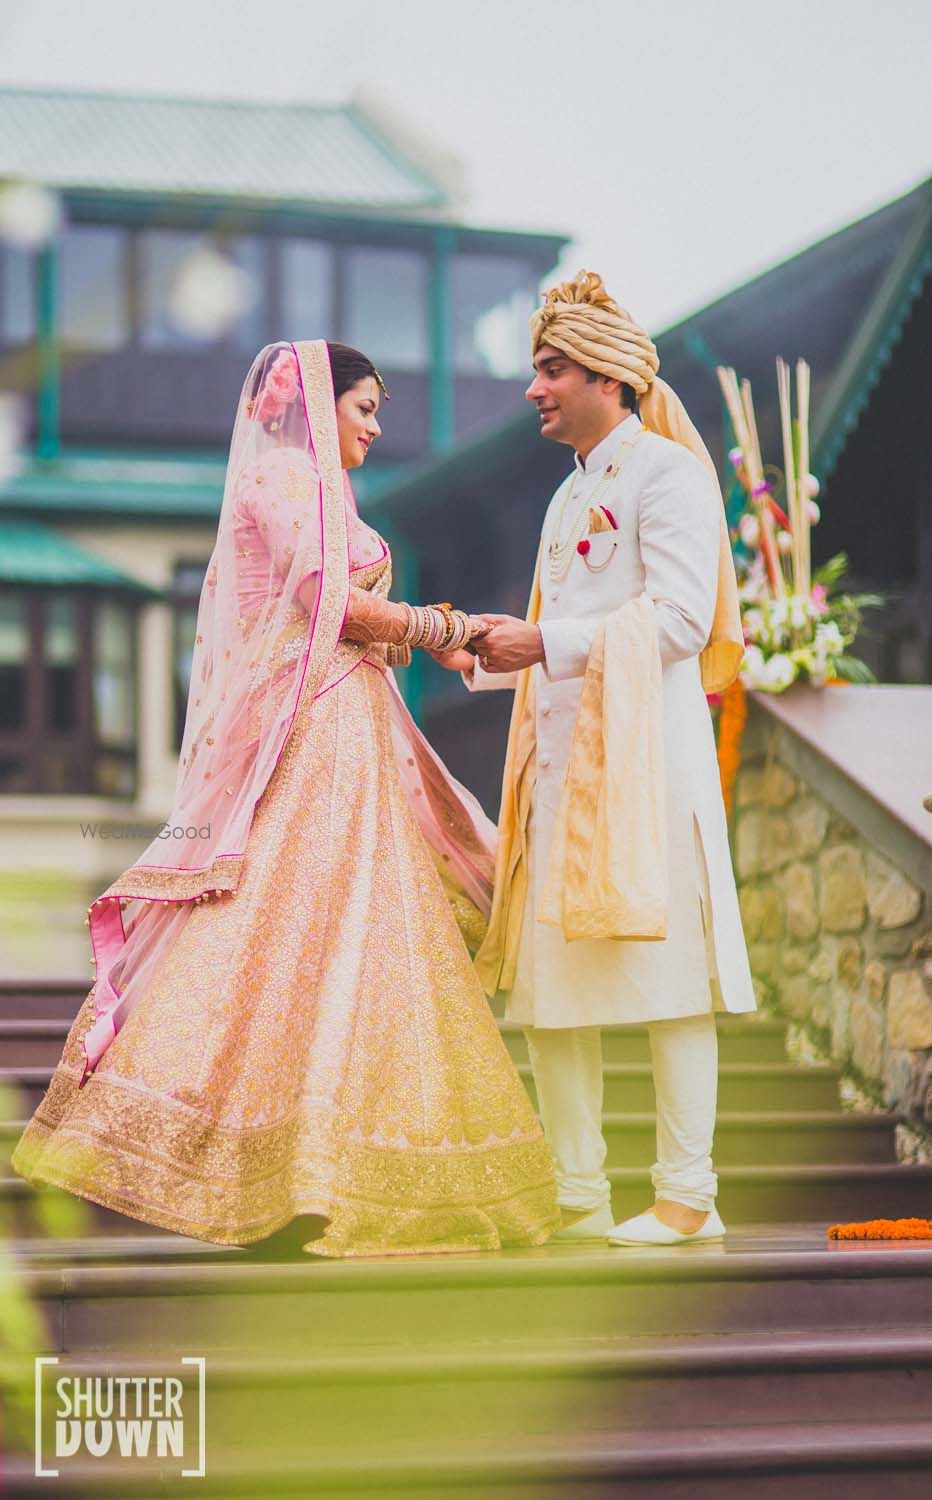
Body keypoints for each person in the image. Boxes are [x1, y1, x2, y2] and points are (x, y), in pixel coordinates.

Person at [12, 339, 560, 1259]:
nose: (377, 427)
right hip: (309, 731)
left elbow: (350, 625)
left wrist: (423, 644)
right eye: (366, 408)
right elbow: (327, 604)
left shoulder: (323, 490)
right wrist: (448, 626)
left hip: (352, 721)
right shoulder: (279, 480)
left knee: (359, 930)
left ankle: (328, 1166)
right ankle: (248, 1153)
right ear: (317, 402)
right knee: (285, 920)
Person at [434, 272, 756, 1247]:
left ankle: (685, 1195)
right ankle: (576, 1190)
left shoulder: (667, 473)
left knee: (668, 979)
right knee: (551, 987)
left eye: (550, 369)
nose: (533, 389)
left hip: (646, 766)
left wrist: (541, 643)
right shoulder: (566, 493)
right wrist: (490, 652)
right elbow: (557, 632)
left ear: (606, 376)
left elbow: (678, 620)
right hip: (560, 761)